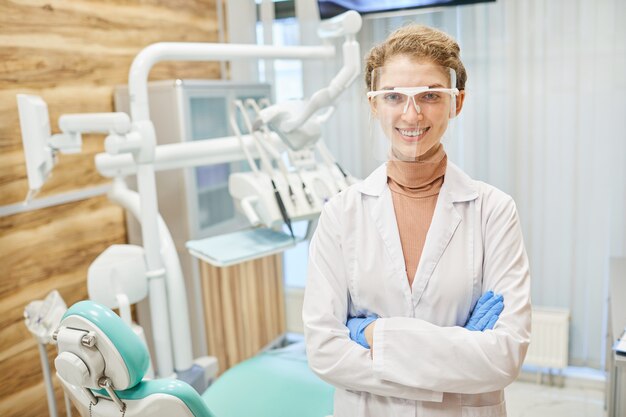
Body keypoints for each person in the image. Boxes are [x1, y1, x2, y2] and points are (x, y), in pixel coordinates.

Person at [302, 24, 531, 417]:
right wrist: (458, 349)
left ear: (457, 102)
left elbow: (504, 357)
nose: (411, 113)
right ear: (374, 104)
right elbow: (324, 351)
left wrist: (371, 335)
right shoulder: (341, 214)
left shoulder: (494, 211)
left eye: (430, 95)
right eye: (393, 96)